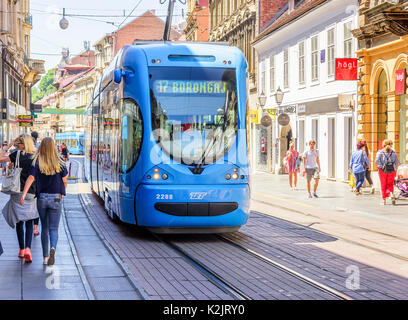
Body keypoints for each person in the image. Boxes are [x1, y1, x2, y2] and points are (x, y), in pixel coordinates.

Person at [20, 137, 68, 266]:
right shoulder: (60, 162)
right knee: (54, 228)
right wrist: (63, 193)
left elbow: (31, 178)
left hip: (42, 198)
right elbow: (64, 180)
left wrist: (23, 195)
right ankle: (53, 248)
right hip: (56, 197)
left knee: (44, 228)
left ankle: (45, 258)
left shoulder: (37, 161)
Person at [0, 135, 39, 263]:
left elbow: (0, 158)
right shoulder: (35, 157)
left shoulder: (16, 155)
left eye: (19, 143)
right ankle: (27, 248)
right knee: (28, 221)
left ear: (24, 144)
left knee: (19, 222)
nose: (17, 145)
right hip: (31, 193)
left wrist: (8, 145)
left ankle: (22, 249)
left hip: (17, 191)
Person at [375, 139, 399, 205]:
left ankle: (384, 200)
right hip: (392, 170)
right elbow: (397, 162)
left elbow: (376, 161)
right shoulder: (393, 152)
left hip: (382, 170)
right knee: (390, 183)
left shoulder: (380, 152)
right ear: (390, 144)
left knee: (383, 184)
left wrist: (380, 164)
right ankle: (391, 194)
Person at [30, 132, 41, 237]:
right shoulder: (38, 149)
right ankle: (35, 228)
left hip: (25, 185)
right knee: (36, 208)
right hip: (37, 184)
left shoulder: (22, 152)